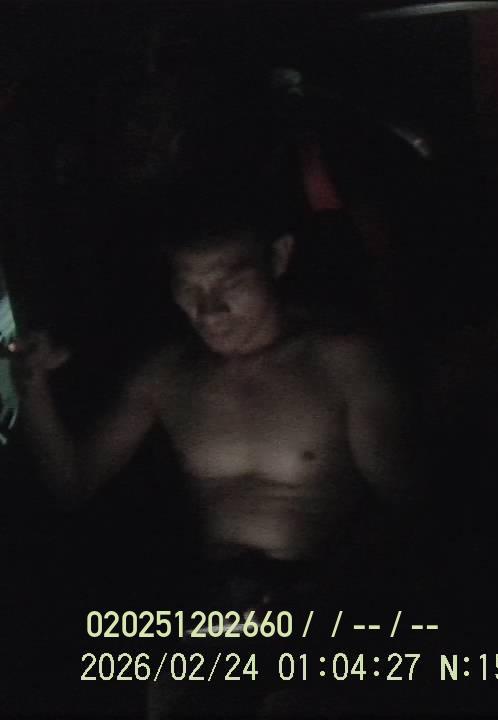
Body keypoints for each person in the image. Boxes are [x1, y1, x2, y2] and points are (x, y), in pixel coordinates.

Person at [7, 188, 421, 716]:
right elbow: (73, 483)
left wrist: (341, 608)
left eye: (230, 284)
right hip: (211, 607)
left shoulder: (343, 361)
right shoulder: (167, 373)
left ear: (278, 259)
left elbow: (409, 505)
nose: (209, 311)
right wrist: (33, 385)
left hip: (321, 600)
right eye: (189, 288)